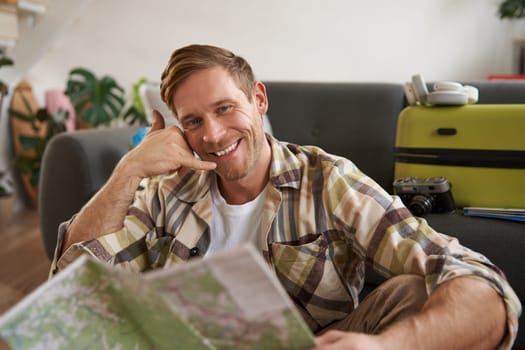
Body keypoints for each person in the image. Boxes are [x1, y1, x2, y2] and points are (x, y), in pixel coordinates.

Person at [51, 44, 520, 350]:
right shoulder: (164, 191)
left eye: (225, 108)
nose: (213, 134)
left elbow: (483, 285)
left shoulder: (329, 181)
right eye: (193, 121)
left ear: (259, 99)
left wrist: (387, 346)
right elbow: (72, 283)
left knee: (416, 293)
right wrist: (130, 169)